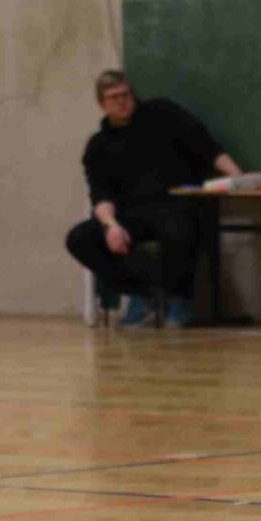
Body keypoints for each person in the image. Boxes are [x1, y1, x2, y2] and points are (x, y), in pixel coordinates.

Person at [62, 70, 240, 328]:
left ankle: (177, 297)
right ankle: (142, 293)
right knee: (79, 238)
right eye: (114, 97)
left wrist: (239, 178)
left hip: (176, 202)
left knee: (177, 228)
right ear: (102, 104)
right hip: (130, 213)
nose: (122, 101)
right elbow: (100, 194)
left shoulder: (163, 113)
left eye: (126, 94)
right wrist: (111, 226)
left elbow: (208, 148)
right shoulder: (98, 146)